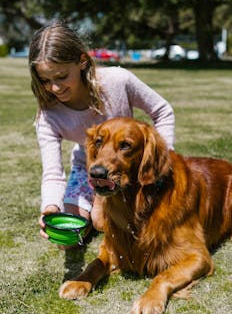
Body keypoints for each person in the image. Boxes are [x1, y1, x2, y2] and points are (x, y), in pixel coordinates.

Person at [28, 21, 175, 248]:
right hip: (87, 168)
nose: (55, 88)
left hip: (128, 167)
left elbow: (162, 111)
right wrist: (50, 207)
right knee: (65, 240)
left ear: (82, 61)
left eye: (62, 76)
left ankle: (99, 210)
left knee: (101, 222)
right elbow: (53, 174)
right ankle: (94, 207)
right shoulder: (48, 116)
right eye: (45, 80)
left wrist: (163, 156)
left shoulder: (118, 81)